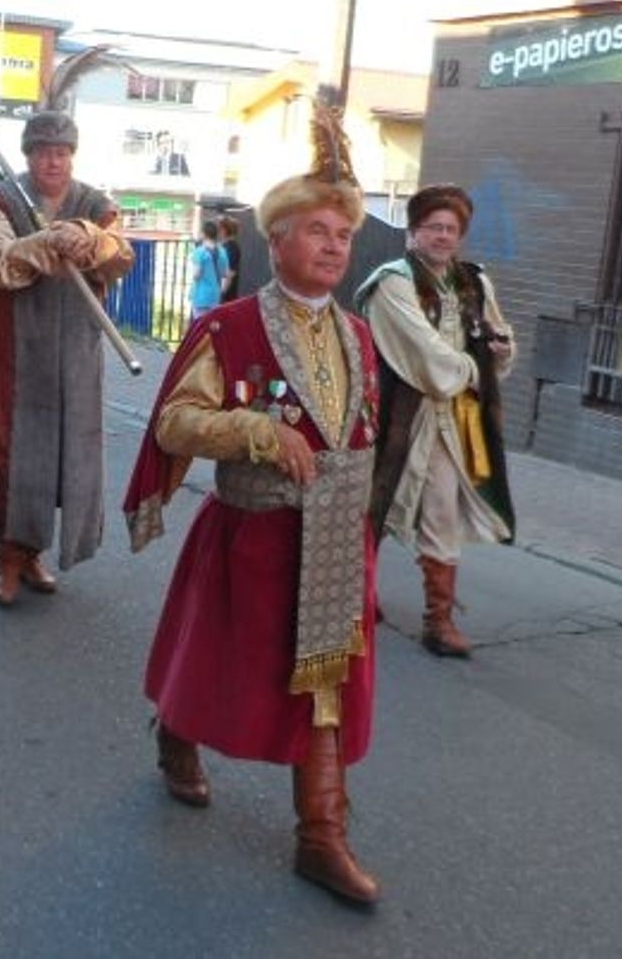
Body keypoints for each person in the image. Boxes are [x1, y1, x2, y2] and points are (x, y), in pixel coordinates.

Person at [124, 104, 383, 904]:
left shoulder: (359, 335)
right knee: (217, 660)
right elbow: (174, 422)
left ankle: (321, 836)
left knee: (325, 682)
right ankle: (177, 734)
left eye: (343, 235)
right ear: (277, 240)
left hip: (335, 542)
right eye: (318, 231)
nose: (334, 246)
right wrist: (256, 431)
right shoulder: (228, 327)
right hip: (253, 536)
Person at [0, 107, 133, 606]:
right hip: (11, 347)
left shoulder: (95, 204)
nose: (53, 161)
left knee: (64, 453)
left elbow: (120, 253)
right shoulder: (1, 198)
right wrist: (41, 243)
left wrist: (90, 239)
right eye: (43, 152)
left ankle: (32, 553)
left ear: (72, 156)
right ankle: (8, 558)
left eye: (62, 152)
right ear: (29, 156)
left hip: (73, 347)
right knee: (11, 453)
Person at [355, 184, 516, 658]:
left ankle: (439, 620)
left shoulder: (474, 282)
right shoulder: (393, 283)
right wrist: (477, 367)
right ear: (413, 233)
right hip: (394, 413)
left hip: (453, 420)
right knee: (370, 504)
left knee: (441, 510)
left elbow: (498, 333)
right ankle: (355, 598)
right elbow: (425, 357)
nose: (443, 236)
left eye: (451, 229)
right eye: (433, 227)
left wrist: (500, 349)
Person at [187, 220, 230, 320]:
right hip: (214, 296)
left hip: (200, 296)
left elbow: (196, 275)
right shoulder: (222, 251)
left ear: (203, 234)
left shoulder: (199, 251)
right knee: (211, 325)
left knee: (200, 325)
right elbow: (225, 274)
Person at [217, 212, 243, 303]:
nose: (216, 232)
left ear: (223, 230)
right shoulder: (226, 246)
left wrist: (221, 295)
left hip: (226, 297)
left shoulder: (230, 248)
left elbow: (230, 274)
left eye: (218, 228)